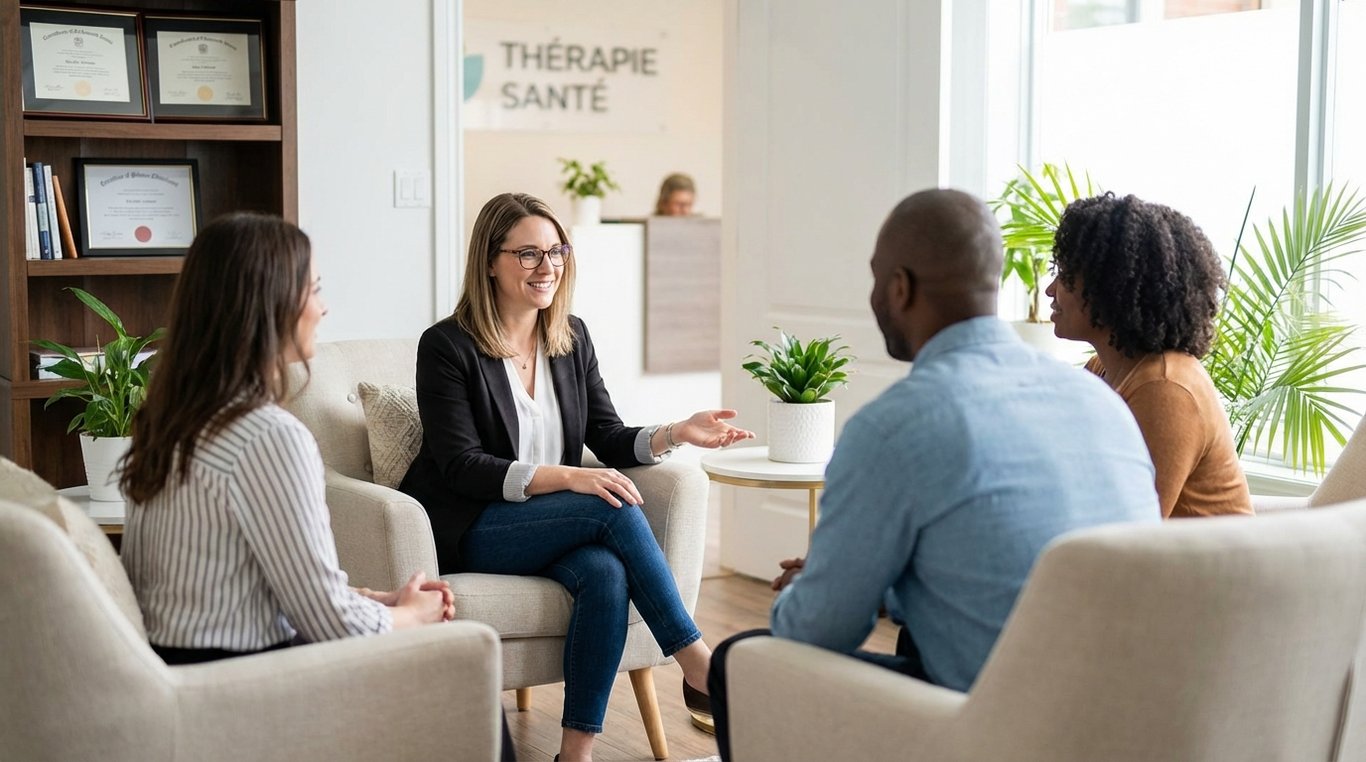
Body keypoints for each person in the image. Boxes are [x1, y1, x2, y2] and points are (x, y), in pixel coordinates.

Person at [706, 189, 1162, 760]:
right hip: (1126, 722)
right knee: (914, 627)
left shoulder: (895, 426)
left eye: (875, 279)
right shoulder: (1099, 401)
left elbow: (816, 633)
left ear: (900, 287)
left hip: (1000, 730)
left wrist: (810, 589)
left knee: (741, 661)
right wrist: (897, 589)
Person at [119, 213, 517, 759]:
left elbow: (253, 582)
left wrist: (376, 600)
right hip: (244, 680)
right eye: (315, 289)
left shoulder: (173, 420)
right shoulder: (268, 435)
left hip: (186, 663)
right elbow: (322, 618)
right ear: (271, 304)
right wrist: (407, 616)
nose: (324, 307)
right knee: (464, 656)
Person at [399, 192, 754, 762]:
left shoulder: (571, 336)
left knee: (606, 571)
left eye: (557, 251)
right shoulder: (447, 345)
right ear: (490, 261)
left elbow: (608, 435)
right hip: (471, 524)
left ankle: (576, 753)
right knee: (602, 501)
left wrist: (676, 432)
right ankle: (698, 665)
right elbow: (462, 465)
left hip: (548, 526)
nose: (548, 268)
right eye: (529, 254)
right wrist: (567, 478)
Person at [1046, 193, 1253, 519]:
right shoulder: (1103, 368)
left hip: (1203, 570)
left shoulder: (1166, 387)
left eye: (1066, 275)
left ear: (1111, 286)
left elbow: (1127, 527)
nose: (1050, 289)